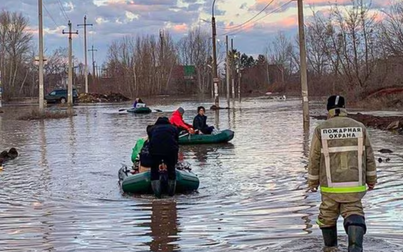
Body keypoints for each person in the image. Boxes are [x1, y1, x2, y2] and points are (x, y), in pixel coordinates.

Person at [307, 95, 377, 252]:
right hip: (354, 185)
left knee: (327, 217)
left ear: (328, 110)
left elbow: (314, 158)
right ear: (345, 108)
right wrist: (371, 179)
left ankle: (331, 248)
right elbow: (369, 156)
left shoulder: (321, 129)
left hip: (330, 187)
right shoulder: (359, 127)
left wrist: (312, 182)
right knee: (354, 212)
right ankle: (355, 248)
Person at [148, 117, 179, 198]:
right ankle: (171, 195)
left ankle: (157, 195)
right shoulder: (174, 128)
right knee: (171, 170)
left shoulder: (151, 129)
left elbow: (150, 139)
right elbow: (176, 140)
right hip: (170, 151)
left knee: (154, 170)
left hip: (155, 151)